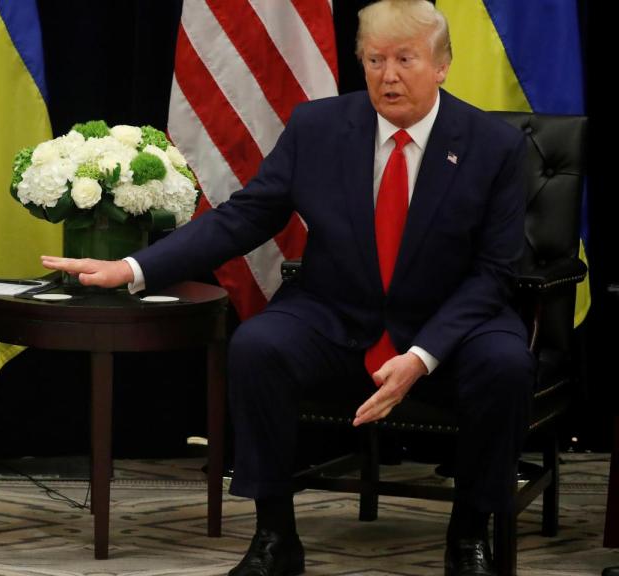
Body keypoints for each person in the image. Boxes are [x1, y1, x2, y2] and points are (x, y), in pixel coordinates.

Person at [42, 1, 532, 574]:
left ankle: (470, 534)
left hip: (452, 318)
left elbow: (494, 273)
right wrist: (133, 268)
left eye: (406, 59)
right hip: (339, 310)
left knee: (506, 365)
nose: (388, 75)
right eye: (374, 60)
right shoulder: (318, 128)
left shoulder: (493, 145)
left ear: (443, 64)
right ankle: (275, 535)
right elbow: (243, 217)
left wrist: (422, 356)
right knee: (257, 347)